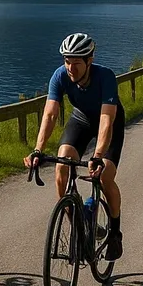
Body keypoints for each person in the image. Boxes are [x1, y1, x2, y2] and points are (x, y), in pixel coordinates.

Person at [24, 32, 124, 260]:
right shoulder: (59, 76)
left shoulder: (105, 77)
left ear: (89, 60)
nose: (70, 68)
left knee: (105, 175)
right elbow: (50, 115)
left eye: (76, 63)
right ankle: (78, 226)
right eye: (67, 61)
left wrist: (98, 155)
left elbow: (107, 120)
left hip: (108, 120)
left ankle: (115, 233)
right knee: (62, 164)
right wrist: (38, 150)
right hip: (81, 119)